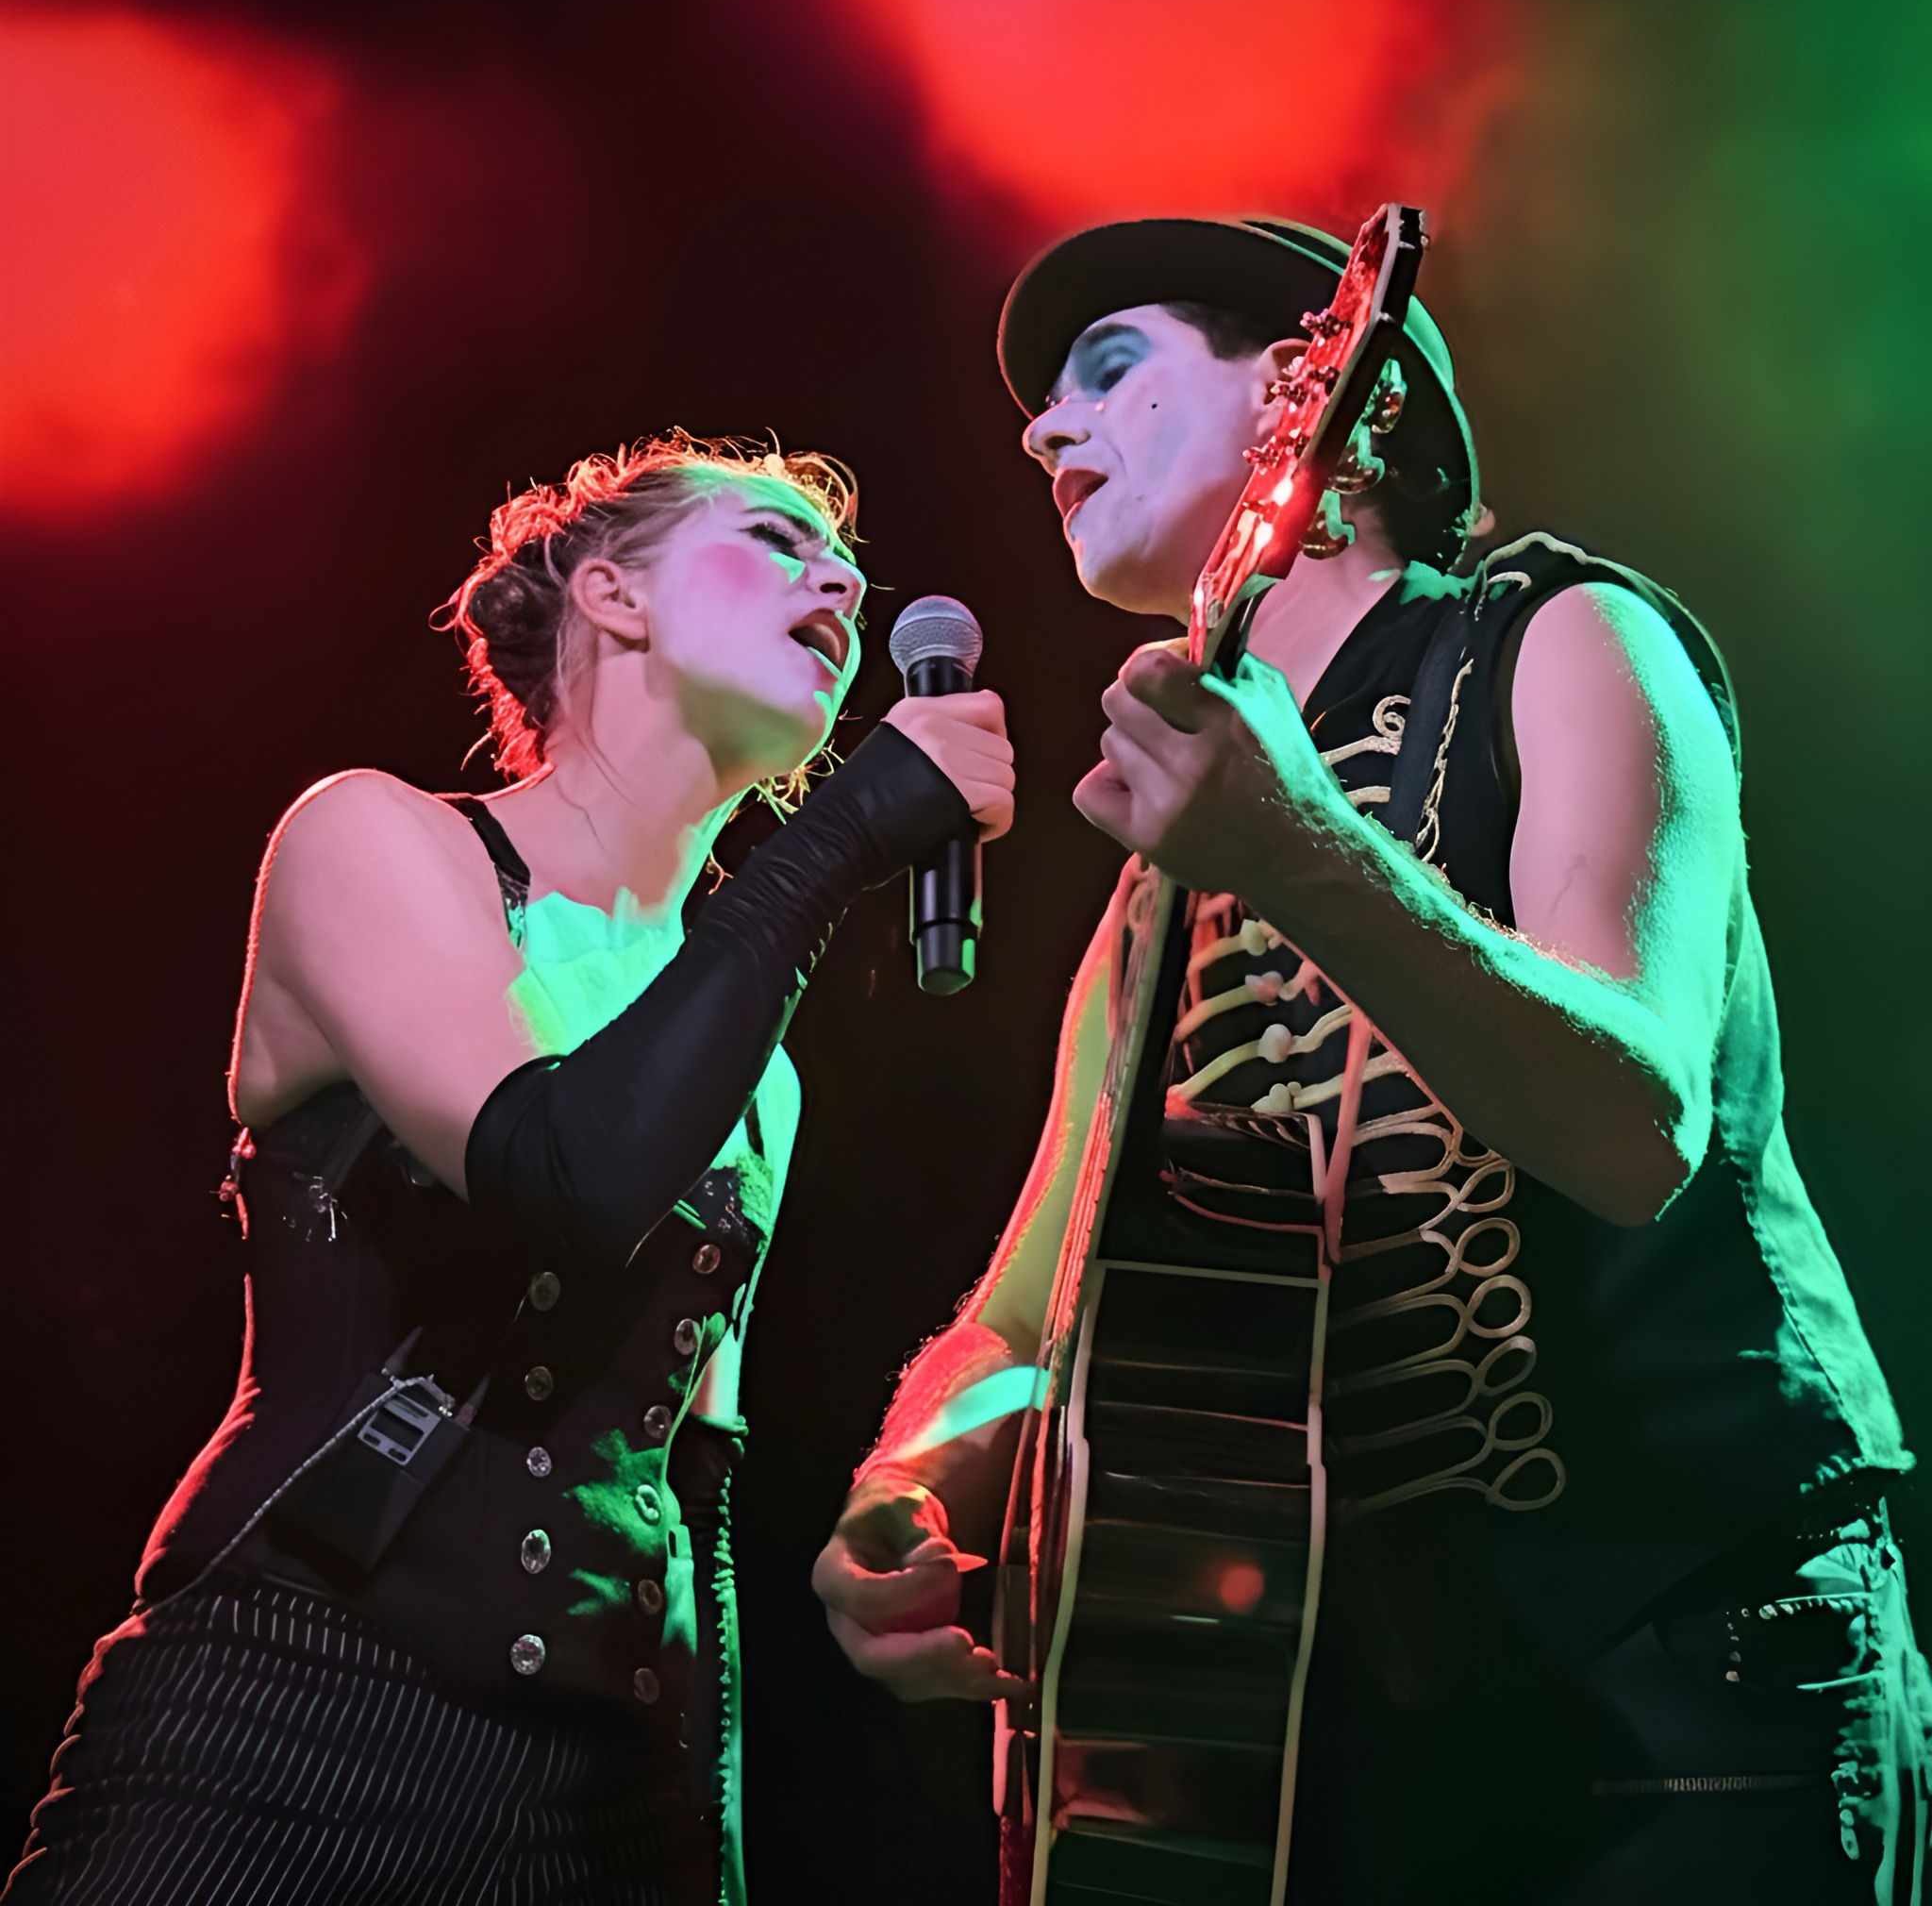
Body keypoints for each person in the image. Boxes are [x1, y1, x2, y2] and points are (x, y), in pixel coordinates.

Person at [813, 218, 1931, 1903]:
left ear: (1311, 388)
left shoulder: (1560, 634)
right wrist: (916, 1474)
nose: (1046, 430)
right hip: (1325, 1727)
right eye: (1041, 407)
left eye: (1108, 370)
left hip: (1677, 1655)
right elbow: (1028, 1311)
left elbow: (1638, 1126)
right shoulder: (1160, 884)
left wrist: (1299, 852)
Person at [7, 434, 1014, 1906]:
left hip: (600, 1797)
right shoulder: (375, 842)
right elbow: (558, 1172)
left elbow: (691, 1490)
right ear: (611, 594)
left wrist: (702, 1849)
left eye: (844, 567)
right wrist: (848, 838)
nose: (844, 580)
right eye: (775, 540)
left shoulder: (759, 1074)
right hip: (289, 1716)